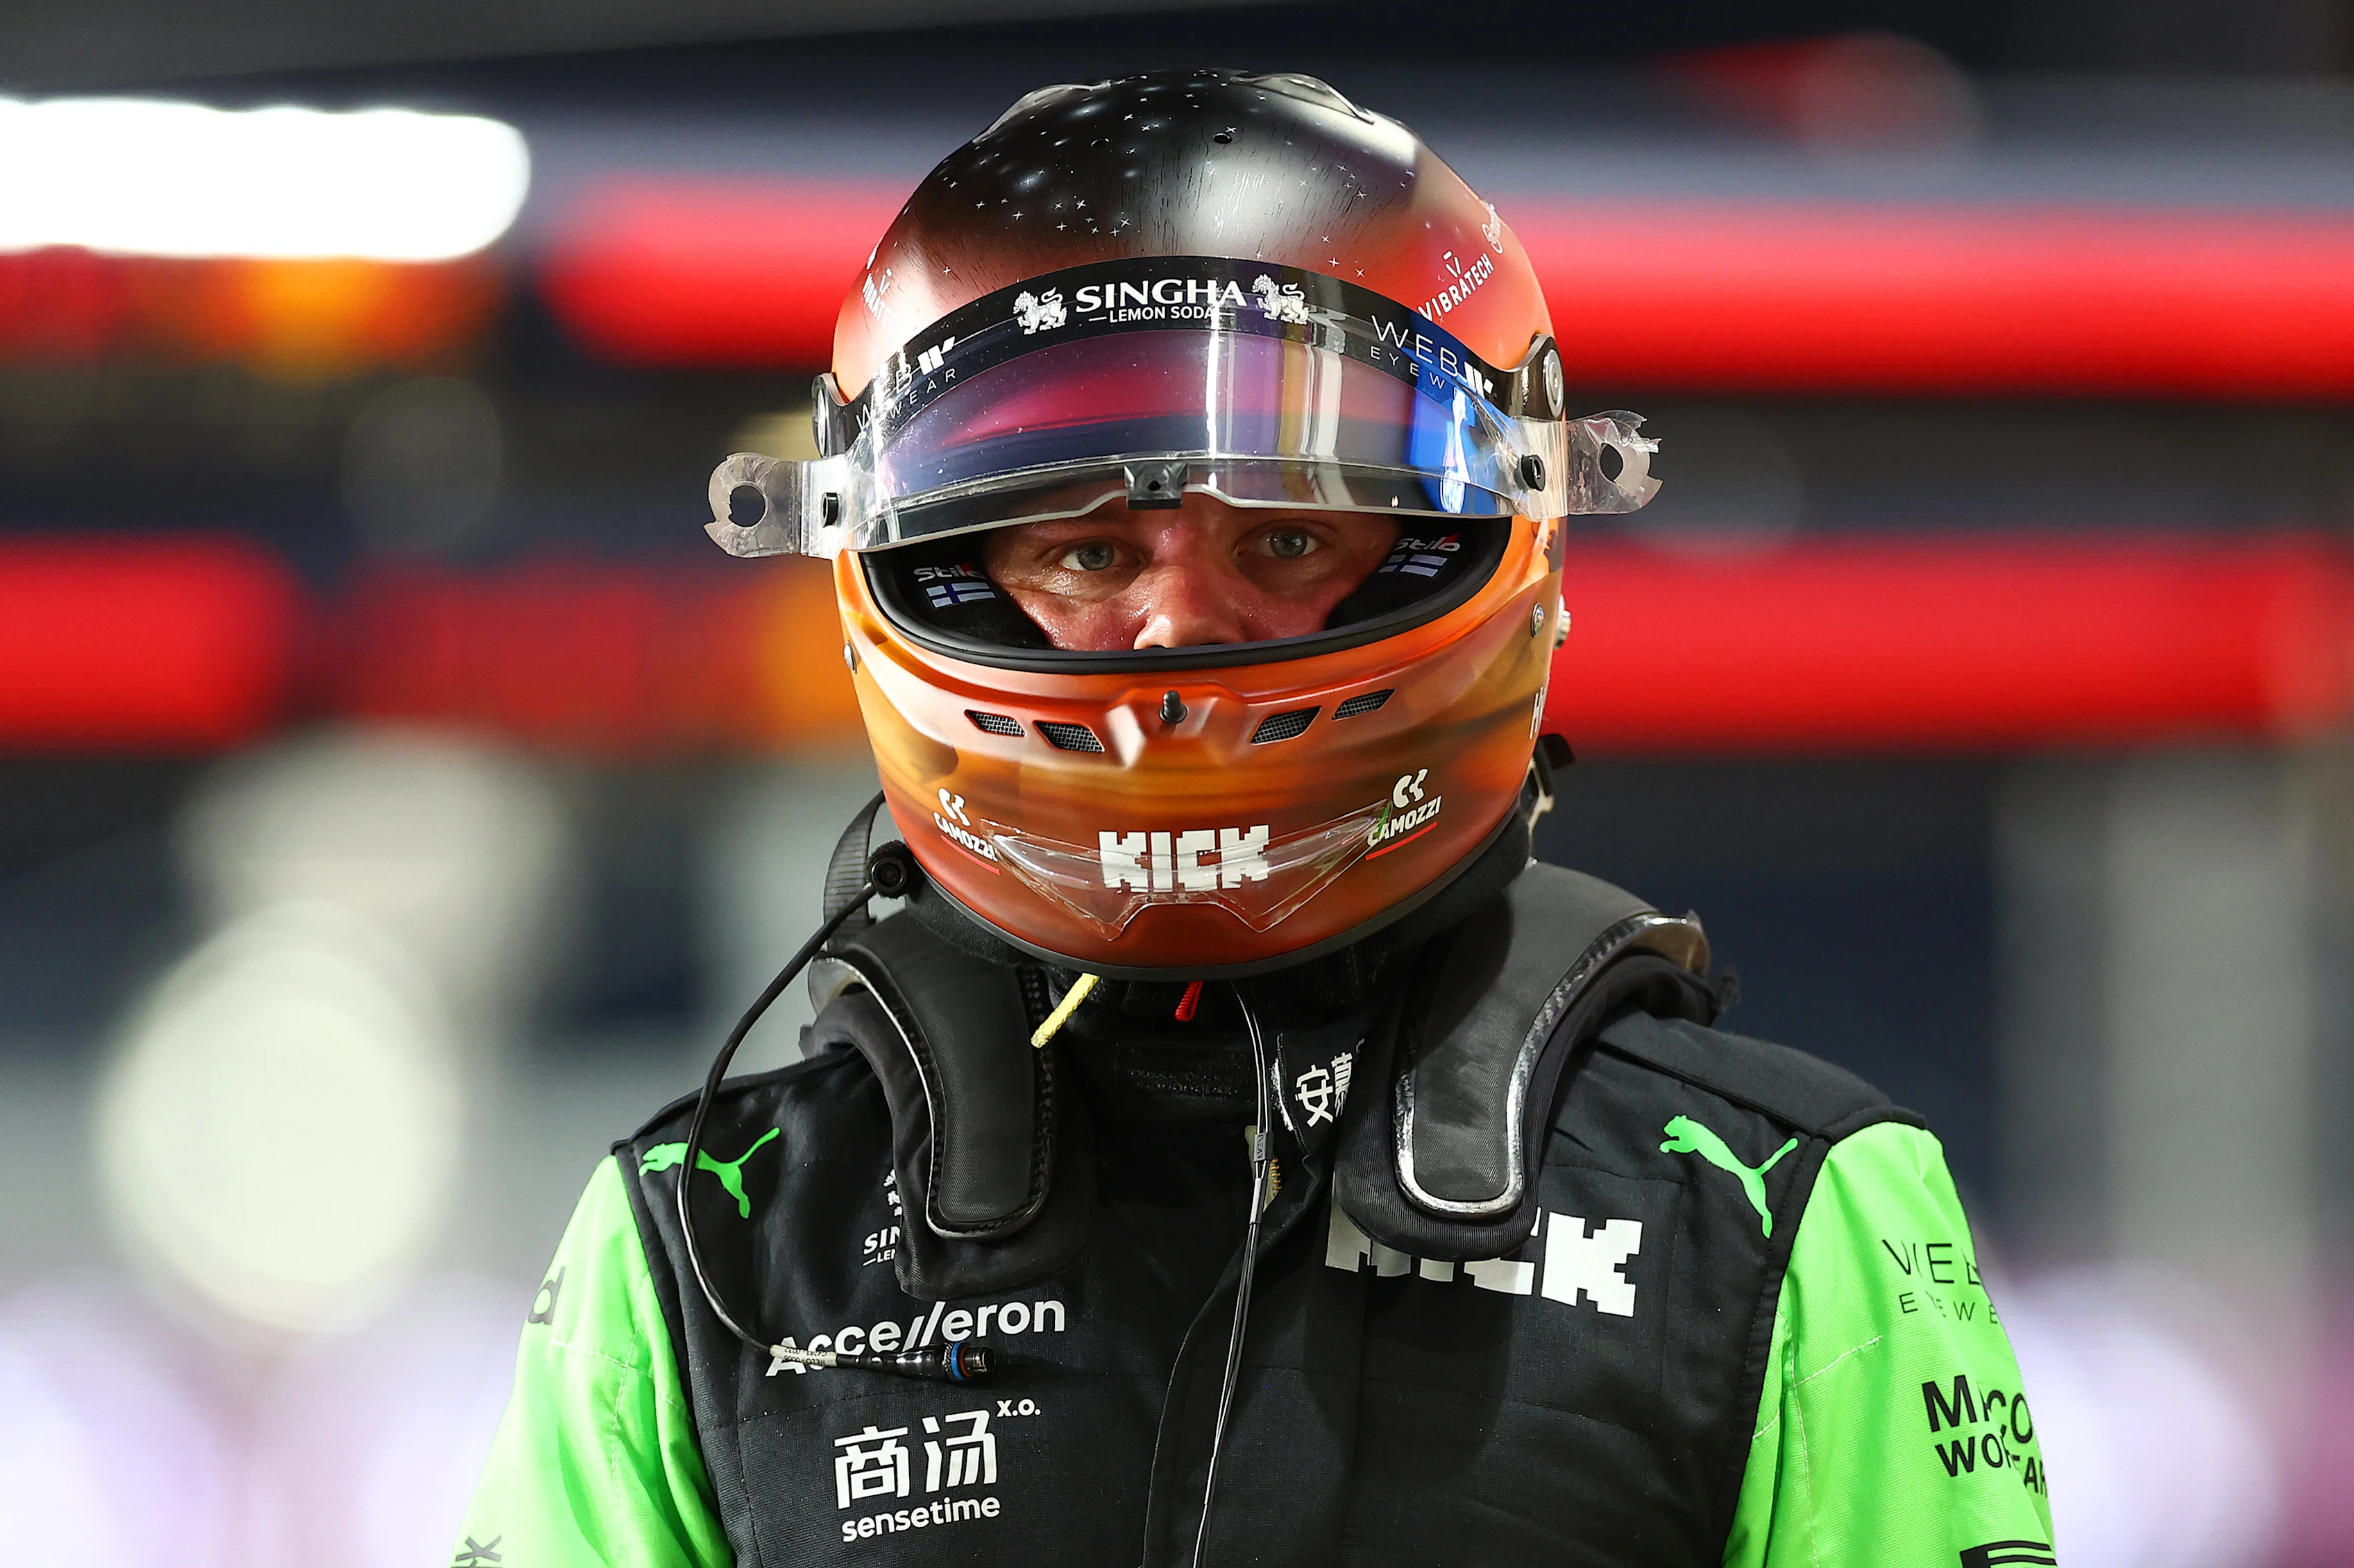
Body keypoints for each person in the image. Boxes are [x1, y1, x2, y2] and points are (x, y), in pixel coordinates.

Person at [455, 69, 2055, 1568]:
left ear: (1509, 532)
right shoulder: (698, 1245)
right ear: (915, 569)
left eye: (1288, 540)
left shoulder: (1772, 1199)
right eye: (1087, 555)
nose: (1179, 632)